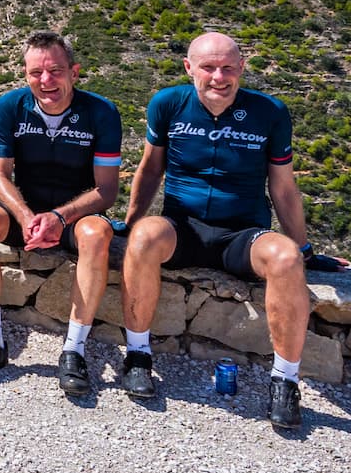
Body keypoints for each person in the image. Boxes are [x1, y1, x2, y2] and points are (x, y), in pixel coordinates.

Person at [119, 31, 345, 430]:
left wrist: (304, 247)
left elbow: (283, 188)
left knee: (286, 258)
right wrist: (132, 222)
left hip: (241, 233)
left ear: (242, 67)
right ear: (190, 68)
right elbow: (151, 169)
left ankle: (285, 380)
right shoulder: (168, 104)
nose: (218, 77)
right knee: (143, 237)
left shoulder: (269, 112)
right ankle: (138, 355)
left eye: (227, 67)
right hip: (183, 227)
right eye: (208, 67)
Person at [0, 31, 120, 394]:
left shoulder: (101, 112)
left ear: (74, 72)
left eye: (55, 71)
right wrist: (24, 216)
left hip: (75, 216)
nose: (46, 81)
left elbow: (107, 190)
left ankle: (74, 349)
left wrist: (60, 217)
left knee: (98, 235)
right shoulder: (10, 106)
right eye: (36, 73)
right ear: (25, 73)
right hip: (27, 212)